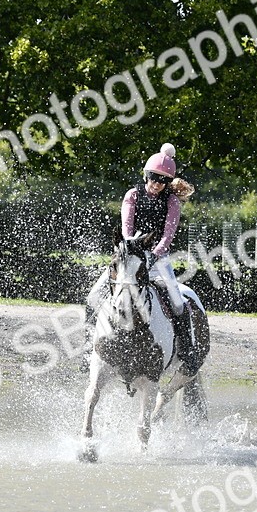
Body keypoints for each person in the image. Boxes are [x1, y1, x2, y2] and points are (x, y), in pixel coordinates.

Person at [86, 143, 199, 365]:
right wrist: (132, 252)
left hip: (158, 257)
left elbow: (168, 235)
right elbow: (126, 229)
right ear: (146, 176)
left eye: (162, 181)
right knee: (93, 296)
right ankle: (87, 348)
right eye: (153, 179)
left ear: (167, 183)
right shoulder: (132, 195)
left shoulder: (172, 202)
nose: (156, 185)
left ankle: (187, 352)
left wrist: (154, 255)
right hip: (129, 255)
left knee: (178, 304)